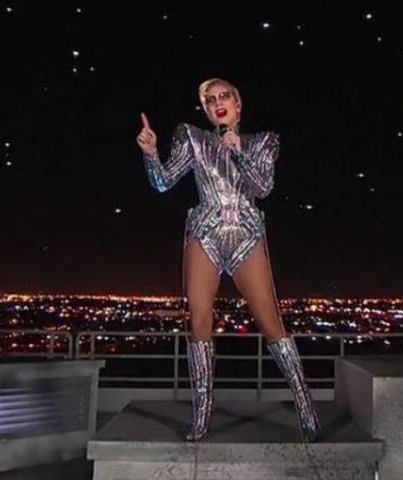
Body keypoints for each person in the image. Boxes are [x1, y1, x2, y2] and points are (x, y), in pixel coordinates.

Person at [136, 78, 320, 442]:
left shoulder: (263, 142)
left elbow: (262, 188)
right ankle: (201, 417)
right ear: (206, 111)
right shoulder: (192, 138)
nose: (216, 102)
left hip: (246, 234)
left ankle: (306, 408)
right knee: (199, 320)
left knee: (270, 322)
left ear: (238, 105)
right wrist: (151, 153)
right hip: (205, 232)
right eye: (209, 100)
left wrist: (239, 150)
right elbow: (162, 182)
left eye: (223, 97)